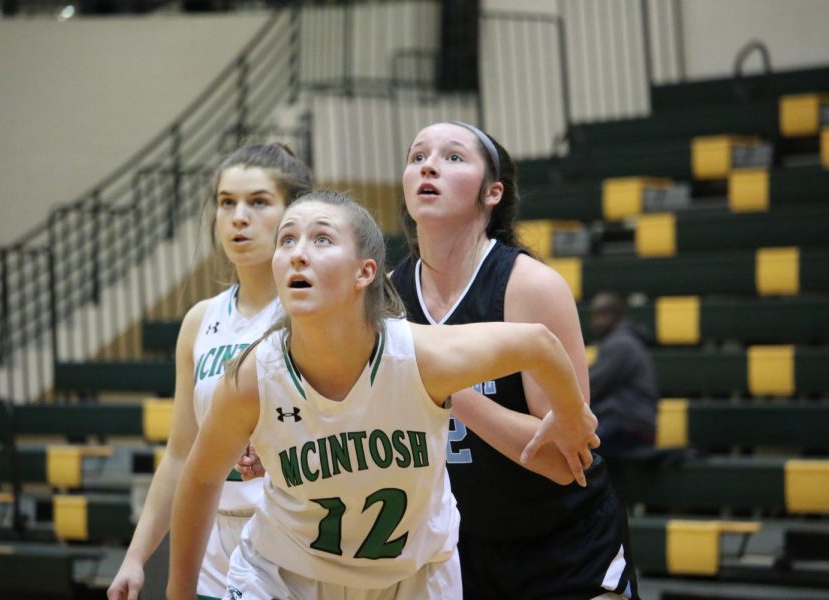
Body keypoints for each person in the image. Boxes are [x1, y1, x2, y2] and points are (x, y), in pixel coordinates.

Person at [166, 190, 599, 600]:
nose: (298, 252)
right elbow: (201, 478)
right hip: (285, 577)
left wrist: (571, 414)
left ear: (365, 272)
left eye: (321, 239)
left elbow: (539, 344)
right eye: (287, 239)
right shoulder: (252, 377)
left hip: (412, 578)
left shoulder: (420, 354)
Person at [391, 121, 640, 599]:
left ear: (491, 193)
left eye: (453, 157)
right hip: (458, 554)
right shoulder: (387, 297)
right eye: (417, 155)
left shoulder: (529, 287)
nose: (428, 164)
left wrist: (446, 386)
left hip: (565, 547)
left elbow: (564, 461)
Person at [107, 143, 312, 600]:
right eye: (226, 202)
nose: (239, 216)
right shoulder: (200, 320)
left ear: (292, 214)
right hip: (213, 553)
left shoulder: (308, 312)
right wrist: (136, 558)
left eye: (258, 202)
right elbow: (181, 455)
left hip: (292, 547)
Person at [588, 292, 659, 461]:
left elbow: (591, 387)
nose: (597, 321)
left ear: (618, 316)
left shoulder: (621, 344)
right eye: (595, 315)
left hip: (628, 426)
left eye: (603, 314)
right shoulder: (624, 340)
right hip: (630, 424)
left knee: (574, 445)